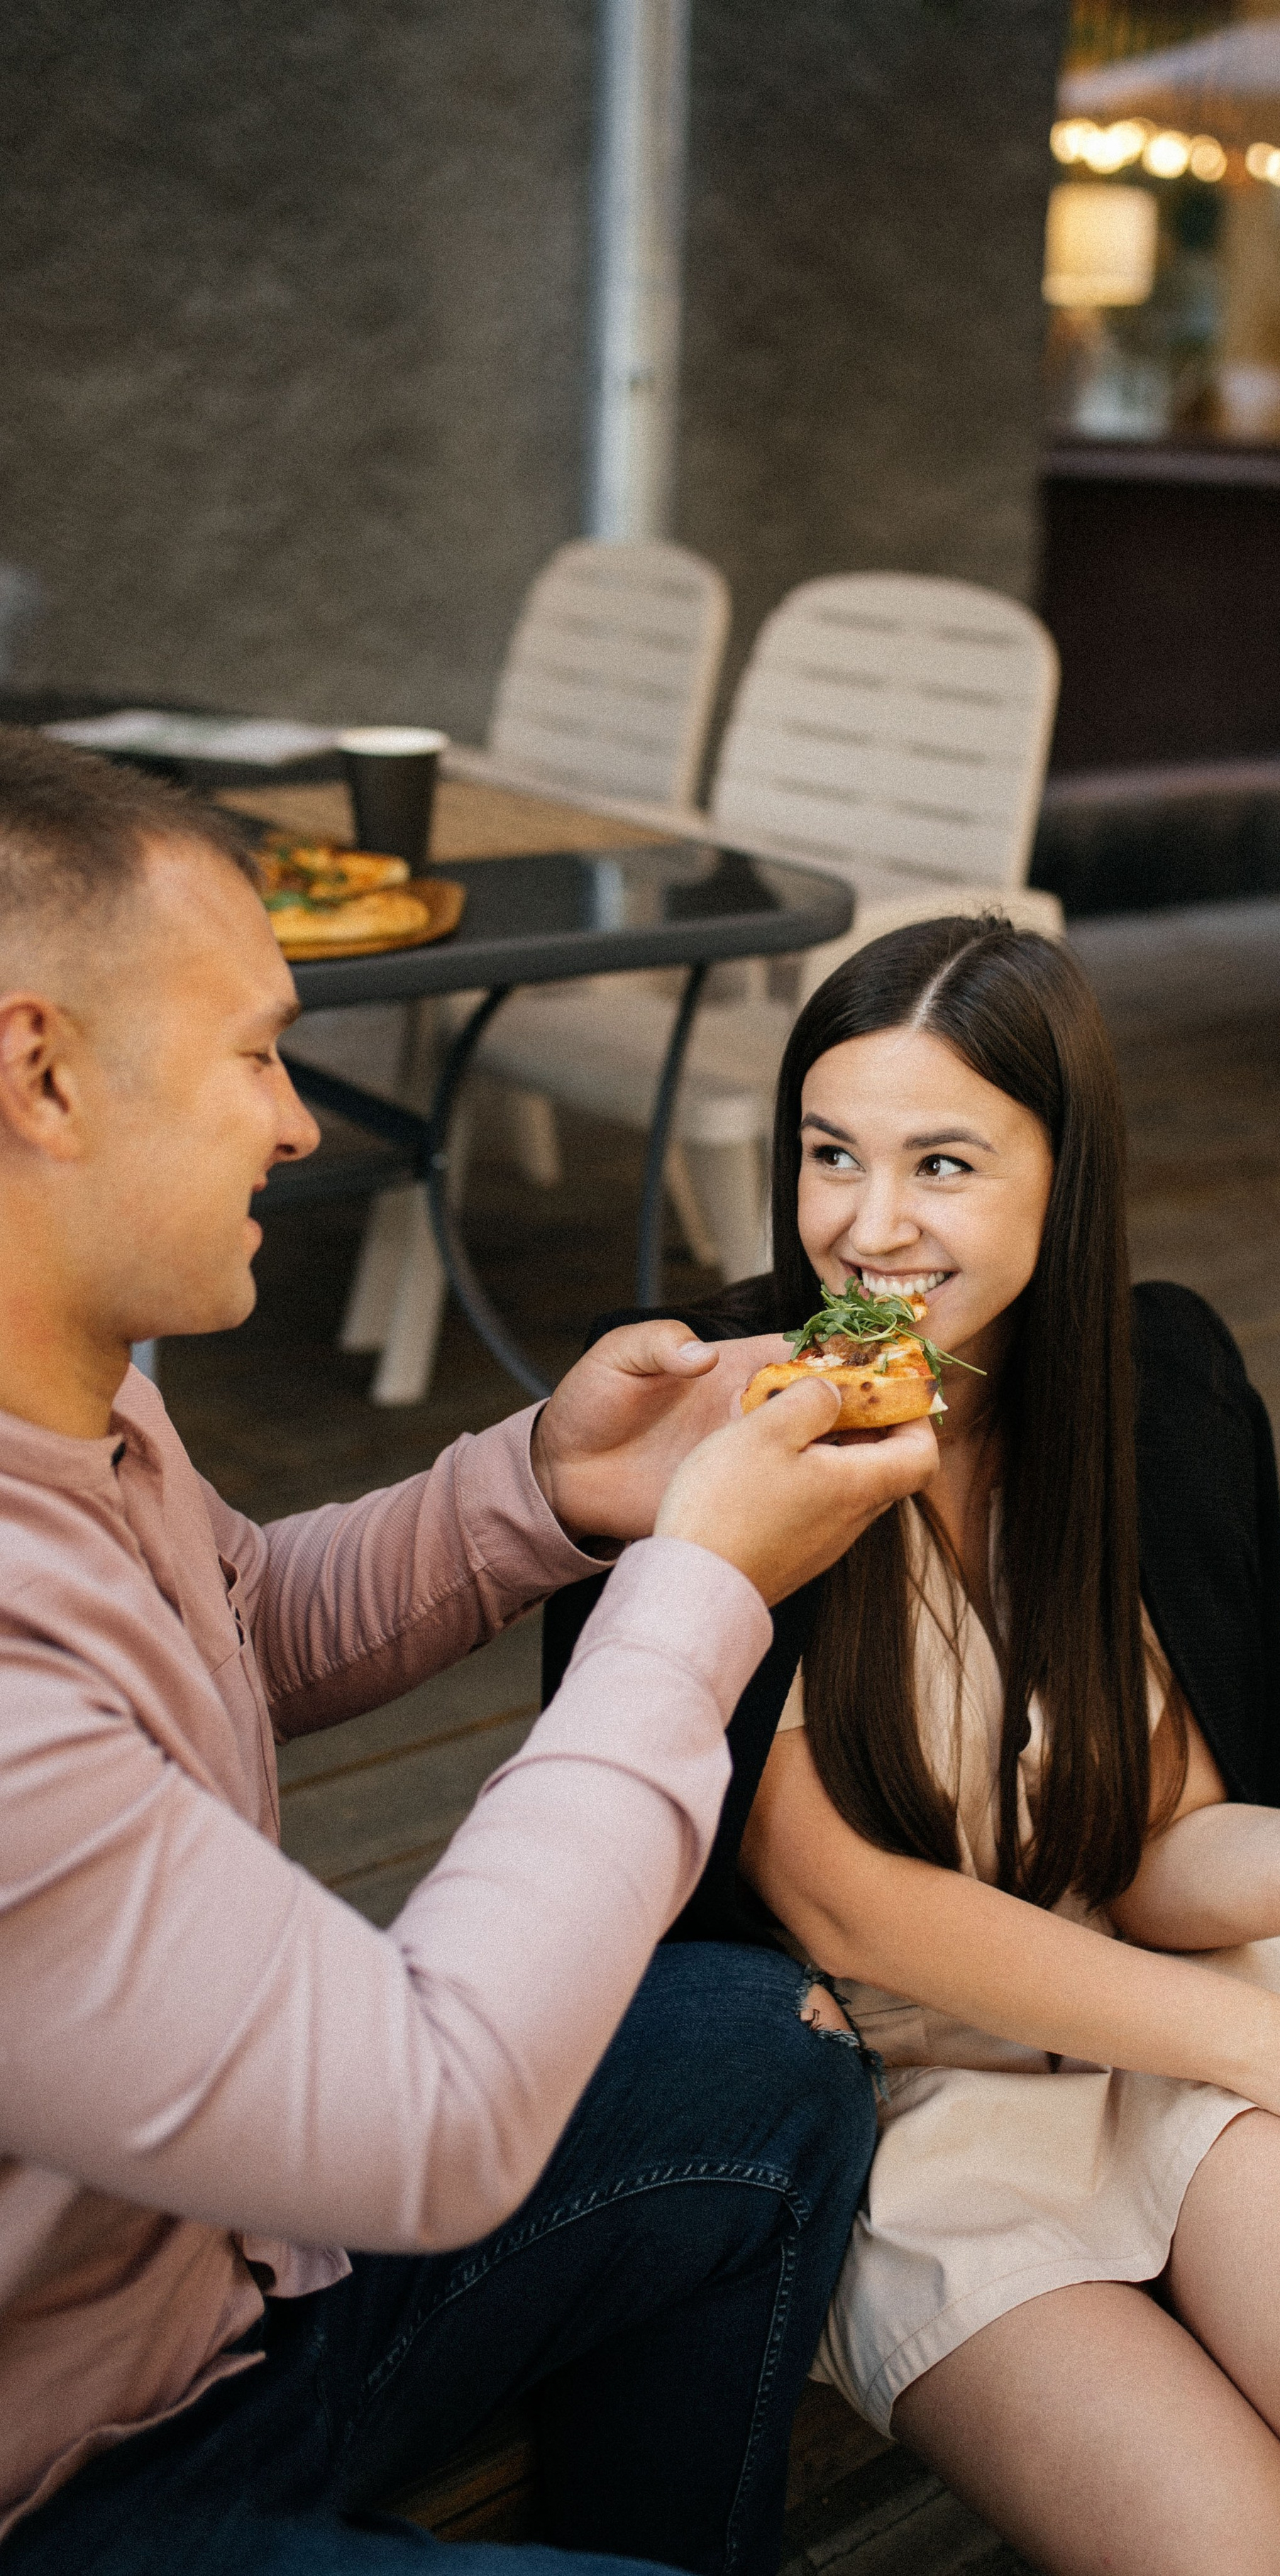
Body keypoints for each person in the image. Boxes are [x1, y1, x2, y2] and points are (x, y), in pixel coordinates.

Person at [551, 913, 1280, 2576]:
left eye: (941, 1163)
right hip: (902, 2115)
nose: (867, 1228)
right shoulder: (736, 1413)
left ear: (1065, 1172)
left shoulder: (1151, 1383)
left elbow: (1163, 1856)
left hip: (1165, 2021)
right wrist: (1277, 2049)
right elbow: (844, 1907)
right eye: (831, 1155)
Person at [0, 728, 941, 2575]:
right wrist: (697, 1586)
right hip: (65, 2491)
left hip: (231, 2294)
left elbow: (240, 1614)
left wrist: (552, 1485)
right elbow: (431, 2117)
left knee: (768, 2047)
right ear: (40, 1071)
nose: (297, 1119)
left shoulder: (78, 1393)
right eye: (260, 1052)